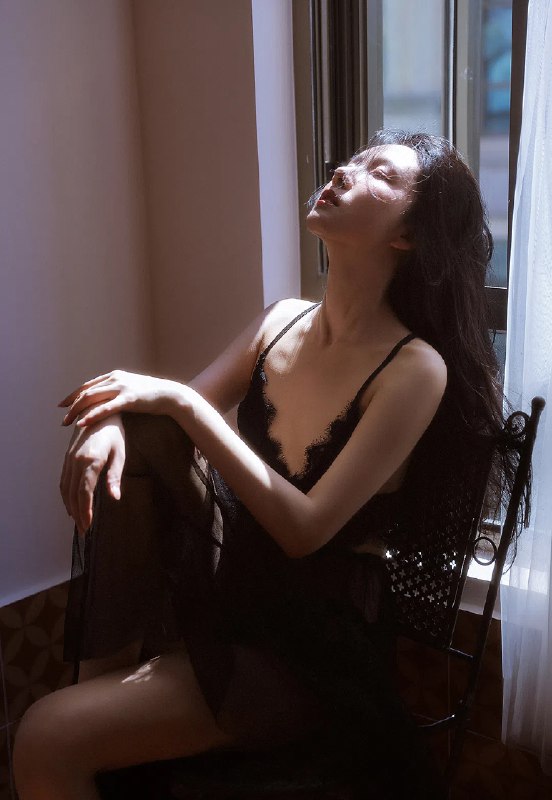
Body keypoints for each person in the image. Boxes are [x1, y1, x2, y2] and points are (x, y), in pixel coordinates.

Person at [13, 130, 504, 800]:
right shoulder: (281, 320)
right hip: (229, 598)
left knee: (45, 735)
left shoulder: (415, 369)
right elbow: (163, 425)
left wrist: (181, 404)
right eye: (352, 160)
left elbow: (305, 531)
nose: (344, 170)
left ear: (408, 236)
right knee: (146, 433)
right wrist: (110, 422)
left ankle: (91, 709)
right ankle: (99, 685)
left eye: (380, 175)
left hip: (308, 652)